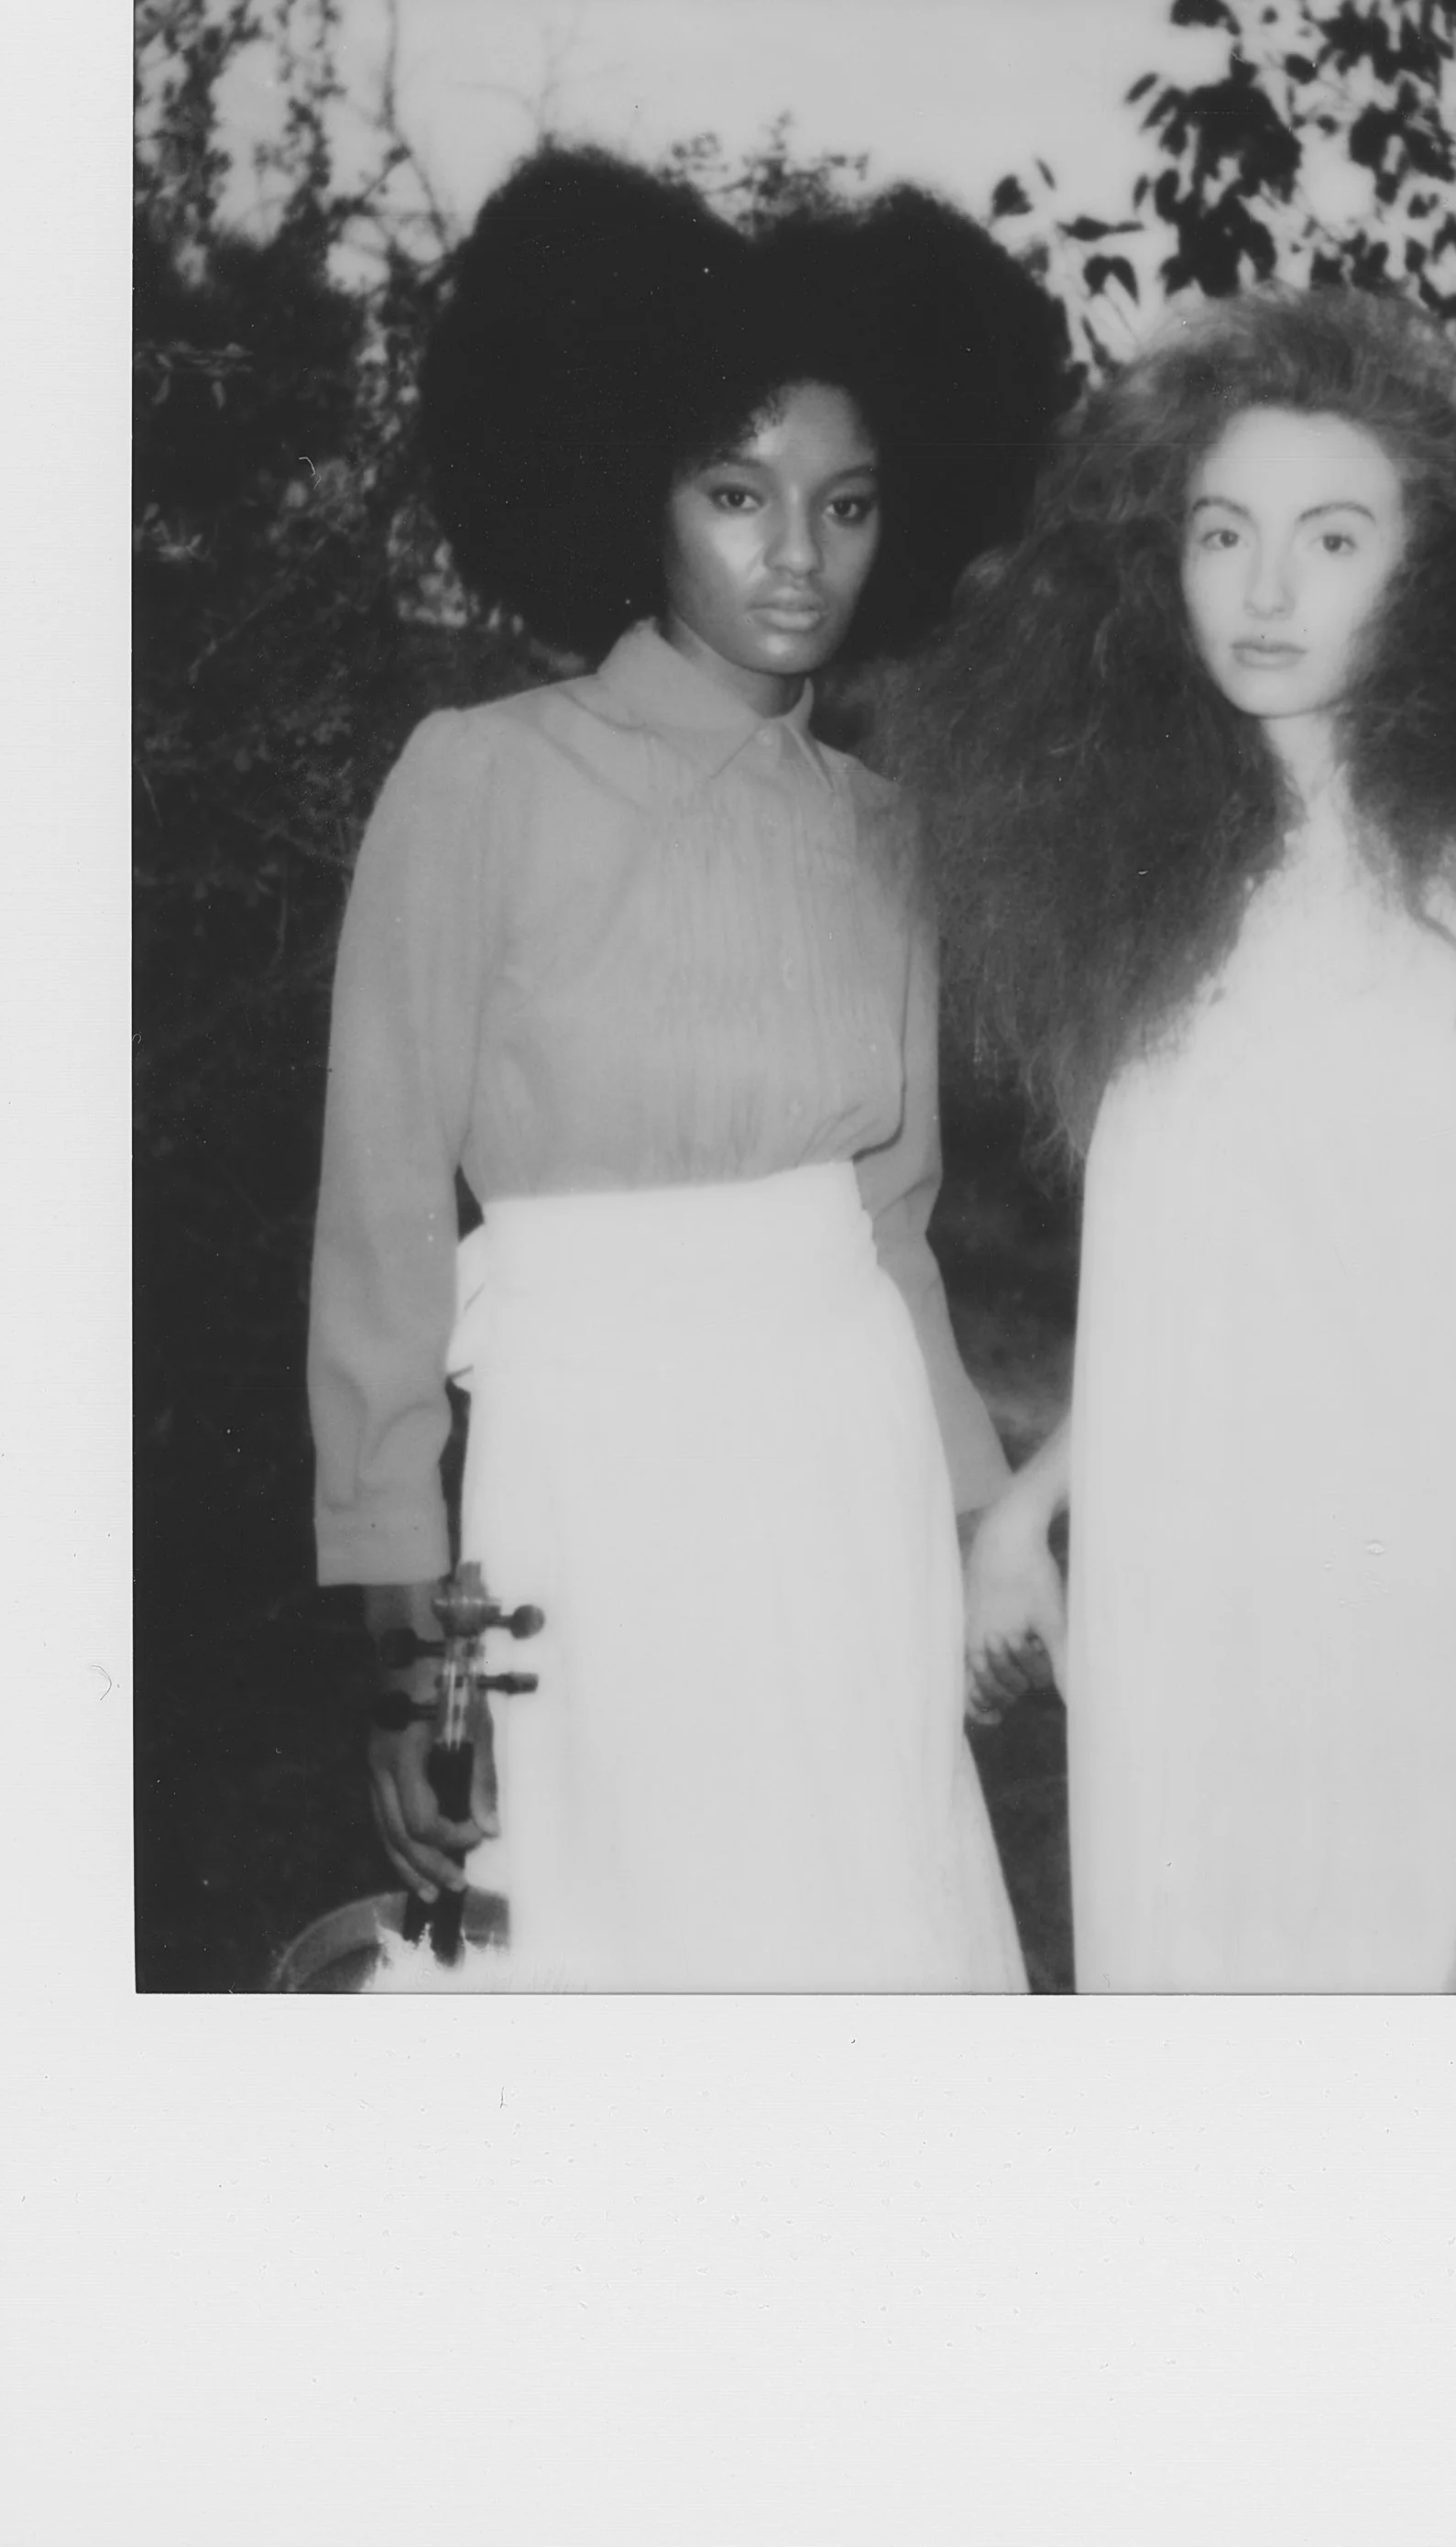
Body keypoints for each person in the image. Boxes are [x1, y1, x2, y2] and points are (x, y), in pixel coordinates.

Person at [896, 288, 1456, 1992]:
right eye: (1224, 531)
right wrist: (1030, 1510)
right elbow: (1231, 1299)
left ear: (1427, 577)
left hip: (1414, 1678)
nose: (1266, 587)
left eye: (1332, 535)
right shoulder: (1157, 911)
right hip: (1183, 1655)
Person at [308, 145, 1070, 1988]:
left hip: (842, 1471)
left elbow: (894, 1237)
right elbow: (381, 1221)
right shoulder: (479, 781)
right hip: (591, 1468)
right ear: (634, 488)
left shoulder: (890, 834)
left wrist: (989, 1527)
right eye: (739, 494)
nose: (794, 556)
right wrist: (404, 1634)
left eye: (848, 504)